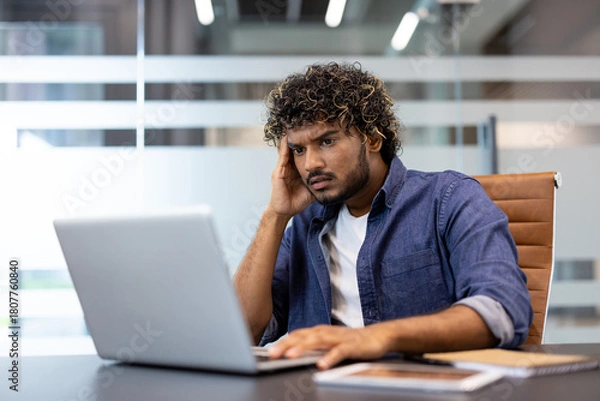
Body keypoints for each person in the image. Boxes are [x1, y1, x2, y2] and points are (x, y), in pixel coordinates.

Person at [233, 62, 532, 370]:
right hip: (321, 389)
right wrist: (275, 216)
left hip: (421, 389)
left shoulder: (449, 199)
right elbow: (241, 331)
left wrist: (378, 337)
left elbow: (503, 309)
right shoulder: (306, 223)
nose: (310, 164)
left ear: (373, 139)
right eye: (298, 150)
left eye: (327, 141)